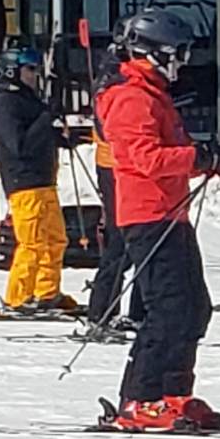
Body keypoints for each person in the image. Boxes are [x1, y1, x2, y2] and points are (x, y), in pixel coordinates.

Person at [93, 7, 220, 432]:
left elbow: (171, 149)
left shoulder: (152, 92)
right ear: (153, 53)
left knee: (194, 308)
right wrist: (199, 157)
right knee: (167, 310)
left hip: (170, 213)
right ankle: (139, 398)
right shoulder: (130, 97)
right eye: (178, 54)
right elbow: (145, 158)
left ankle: (175, 394)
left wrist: (214, 157)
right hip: (147, 215)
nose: (183, 63)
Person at [0, 41, 79, 319]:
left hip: (43, 179)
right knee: (32, 242)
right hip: (24, 182)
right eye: (29, 69)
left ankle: (47, 292)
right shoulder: (6, 102)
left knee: (55, 239)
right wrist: (45, 120)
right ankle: (18, 297)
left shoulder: (28, 98)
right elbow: (18, 144)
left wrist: (59, 138)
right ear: (11, 71)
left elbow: (38, 131)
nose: (34, 75)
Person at [80, 44, 140, 345]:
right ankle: (101, 312)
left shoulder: (120, 73)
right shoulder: (115, 78)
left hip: (122, 165)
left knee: (137, 241)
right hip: (116, 166)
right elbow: (112, 127)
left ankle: (132, 311)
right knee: (122, 240)